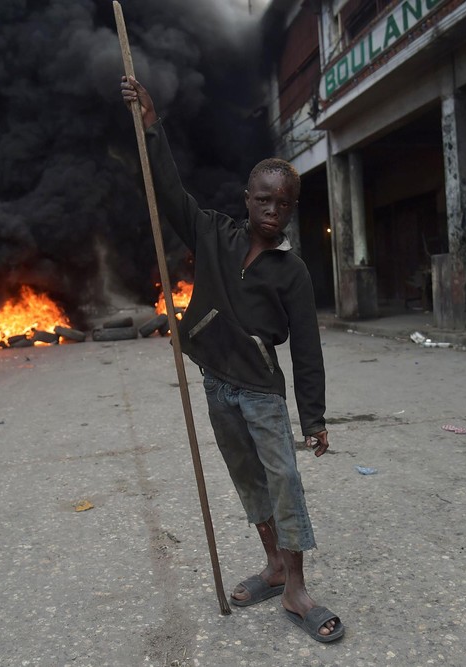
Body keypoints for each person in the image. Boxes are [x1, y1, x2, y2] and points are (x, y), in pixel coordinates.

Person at [121, 75, 344, 643]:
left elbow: (308, 350)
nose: (272, 210)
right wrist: (151, 125)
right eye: (263, 199)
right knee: (247, 480)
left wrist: (313, 417)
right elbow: (169, 192)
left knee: (284, 481)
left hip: (262, 392)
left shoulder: (292, 272)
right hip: (216, 383)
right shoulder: (214, 234)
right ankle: (272, 564)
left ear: (293, 209)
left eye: (283, 203)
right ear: (247, 200)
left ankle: (295, 587)